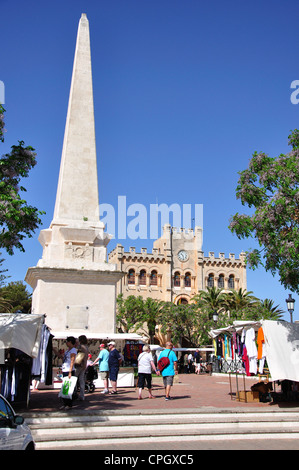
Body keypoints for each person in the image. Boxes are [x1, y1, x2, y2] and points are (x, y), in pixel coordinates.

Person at [60, 336, 77, 409]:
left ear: (70, 342)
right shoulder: (67, 351)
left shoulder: (73, 350)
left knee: (69, 387)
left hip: (69, 370)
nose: (66, 343)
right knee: (65, 387)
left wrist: (70, 371)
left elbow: (72, 360)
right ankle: (64, 403)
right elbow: (62, 358)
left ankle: (69, 404)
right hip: (65, 369)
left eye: (67, 341)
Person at [75, 335, 89, 401]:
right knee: (81, 380)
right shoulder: (86, 347)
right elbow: (86, 357)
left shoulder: (80, 347)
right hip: (84, 365)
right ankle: (82, 395)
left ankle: (74, 393)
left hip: (78, 364)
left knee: (74, 379)